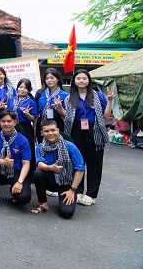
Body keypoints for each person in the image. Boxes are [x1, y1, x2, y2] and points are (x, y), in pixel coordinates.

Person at [57, 69, 113, 206]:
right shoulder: (69, 98)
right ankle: (78, 191)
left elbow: (106, 116)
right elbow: (66, 117)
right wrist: (59, 109)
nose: (81, 81)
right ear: (74, 81)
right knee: (77, 161)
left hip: (94, 131)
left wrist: (110, 101)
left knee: (95, 163)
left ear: (89, 80)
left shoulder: (98, 96)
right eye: (78, 78)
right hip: (75, 130)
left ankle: (91, 195)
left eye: (84, 78)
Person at [31, 119, 85, 218]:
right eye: (46, 131)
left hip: (67, 182)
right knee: (38, 173)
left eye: (53, 130)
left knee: (67, 213)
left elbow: (80, 170)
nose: (50, 133)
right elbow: (39, 164)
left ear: (58, 130)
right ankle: (43, 203)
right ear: (42, 133)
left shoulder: (70, 147)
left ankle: (68, 195)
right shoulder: (40, 147)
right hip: (51, 180)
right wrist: (50, 168)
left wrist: (72, 190)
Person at [0, 110, 31, 209]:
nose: (6, 124)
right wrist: (3, 162)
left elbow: (26, 164)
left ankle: (14, 189)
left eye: (9, 121)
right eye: (3, 121)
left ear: (15, 122)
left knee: (23, 198)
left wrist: (20, 182)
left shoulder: (23, 140)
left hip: (16, 170)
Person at [10, 78, 37, 179]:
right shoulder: (11, 100)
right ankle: (15, 172)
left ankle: (30, 175)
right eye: (20, 87)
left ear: (29, 90)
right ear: (17, 88)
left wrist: (28, 114)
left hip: (26, 127)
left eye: (25, 88)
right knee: (14, 149)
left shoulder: (31, 102)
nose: (22, 89)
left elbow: (34, 119)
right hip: (13, 127)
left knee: (28, 150)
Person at [34, 68, 68, 140]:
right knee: (42, 144)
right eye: (47, 78)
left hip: (56, 122)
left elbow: (66, 116)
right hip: (42, 121)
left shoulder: (65, 95)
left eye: (52, 78)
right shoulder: (40, 93)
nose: (49, 80)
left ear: (58, 79)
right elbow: (36, 113)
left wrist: (60, 109)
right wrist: (34, 129)